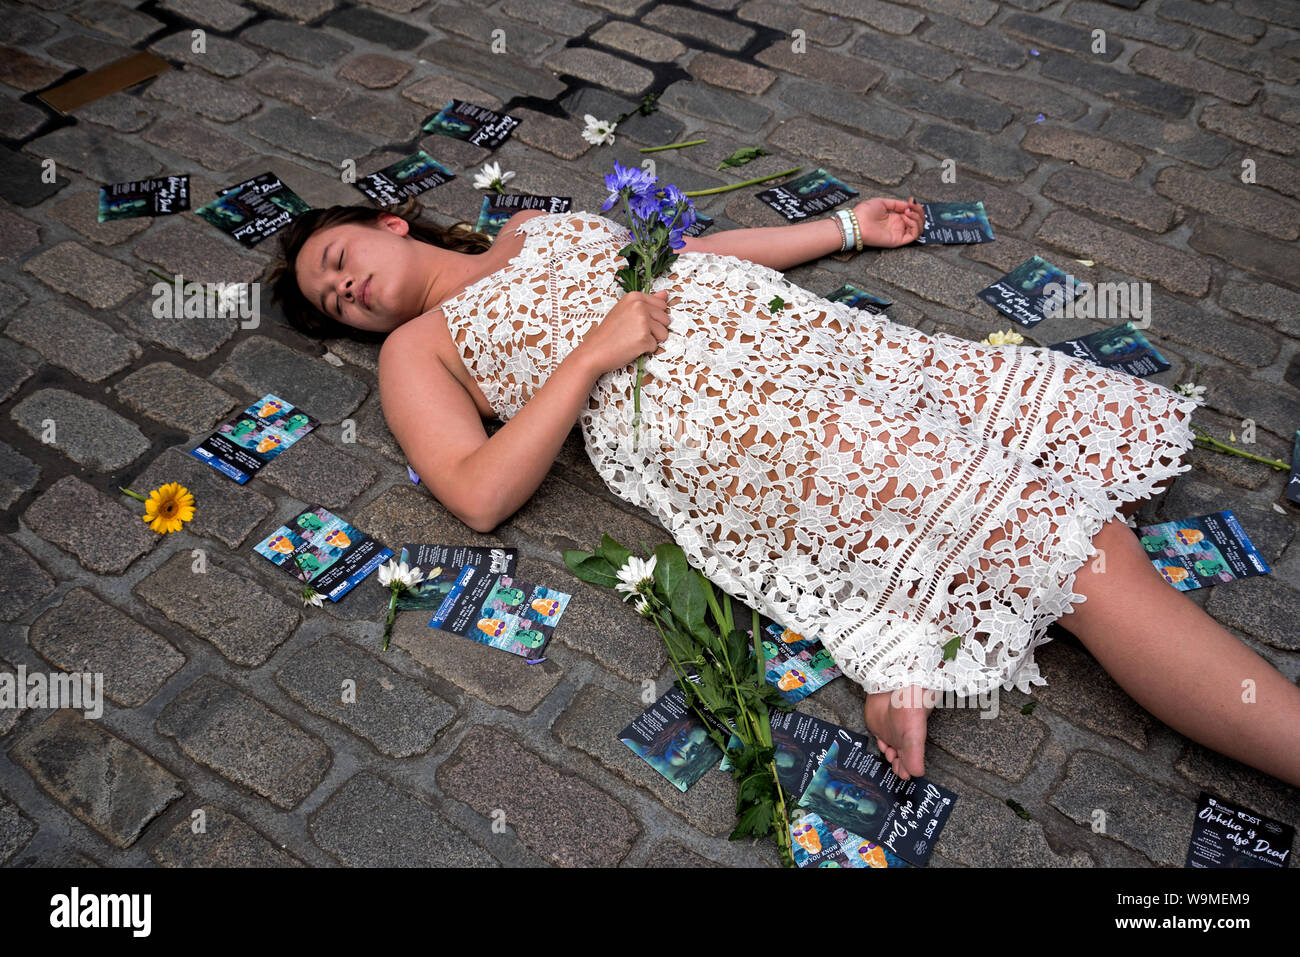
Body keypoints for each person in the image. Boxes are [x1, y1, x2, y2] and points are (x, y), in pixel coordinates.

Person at [266, 198, 1300, 790]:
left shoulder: (530, 225)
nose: (343, 289)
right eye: (328, 301)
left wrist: (840, 228)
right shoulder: (415, 348)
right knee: (1079, 557)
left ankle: (914, 615)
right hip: (741, 428)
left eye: (337, 260)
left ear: (388, 221)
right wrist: (586, 358)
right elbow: (476, 492)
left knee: (1045, 485)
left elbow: (682, 258)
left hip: (822, 348)